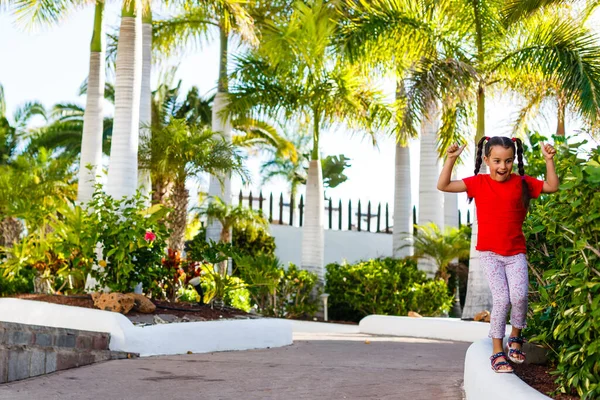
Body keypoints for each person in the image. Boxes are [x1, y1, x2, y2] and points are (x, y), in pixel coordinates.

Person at [437, 136, 559, 373]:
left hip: (516, 254)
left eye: (508, 161)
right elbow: (443, 185)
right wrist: (451, 159)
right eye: (497, 161)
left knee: (520, 297)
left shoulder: (522, 183)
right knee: (502, 300)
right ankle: (497, 352)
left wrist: (549, 161)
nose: (503, 166)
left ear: (514, 160)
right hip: (490, 254)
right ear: (486, 160)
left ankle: (515, 338)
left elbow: (552, 186)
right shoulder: (479, 182)